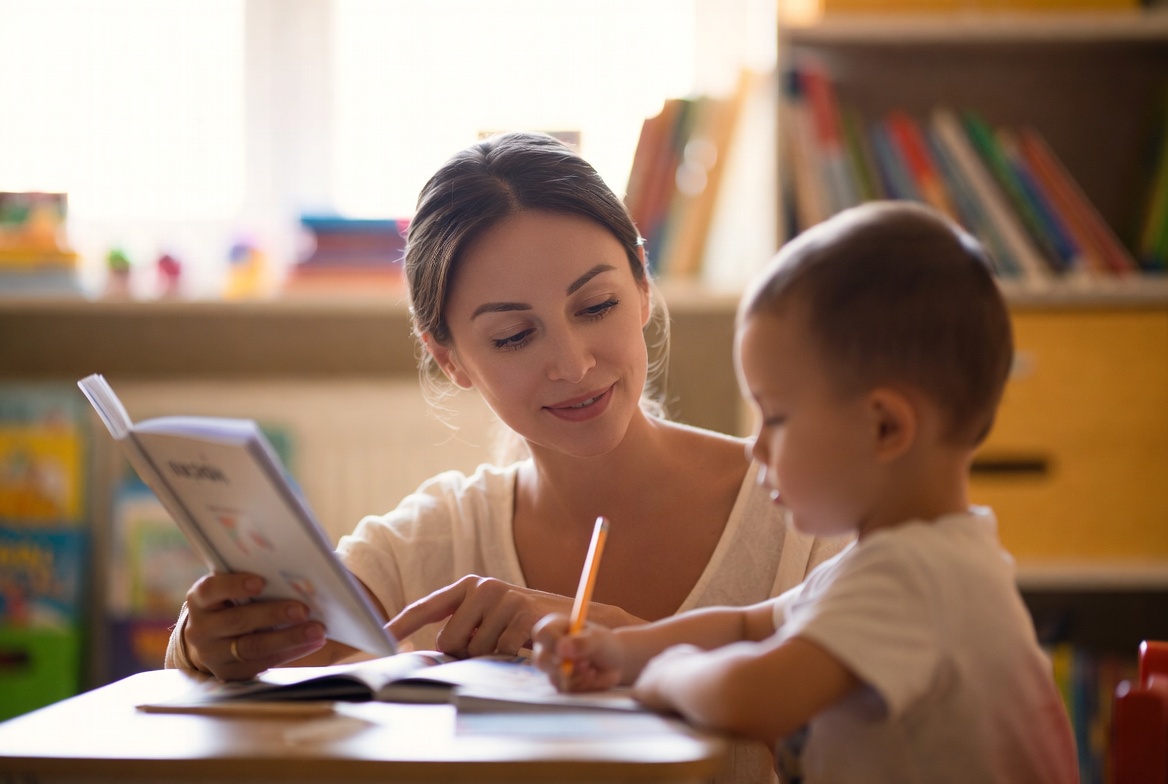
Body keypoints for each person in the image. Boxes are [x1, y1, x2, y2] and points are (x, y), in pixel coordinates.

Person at [165, 132, 844, 739]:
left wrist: (620, 641)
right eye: (514, 336)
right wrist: (206, 645)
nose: (572, 364)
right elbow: (263, 668)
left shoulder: (811, 515)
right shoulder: (435, 542)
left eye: (597, 305)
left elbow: (874, 739)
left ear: (642, 284)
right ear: (449, 358)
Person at [531, 201, 1079, 784]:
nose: (756, 448)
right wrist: (622, 651)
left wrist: (663, 675)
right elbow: (745, 628)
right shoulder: (906, 559)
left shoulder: (914, 577)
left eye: (776, 417)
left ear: (885, 427)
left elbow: (751, 696)